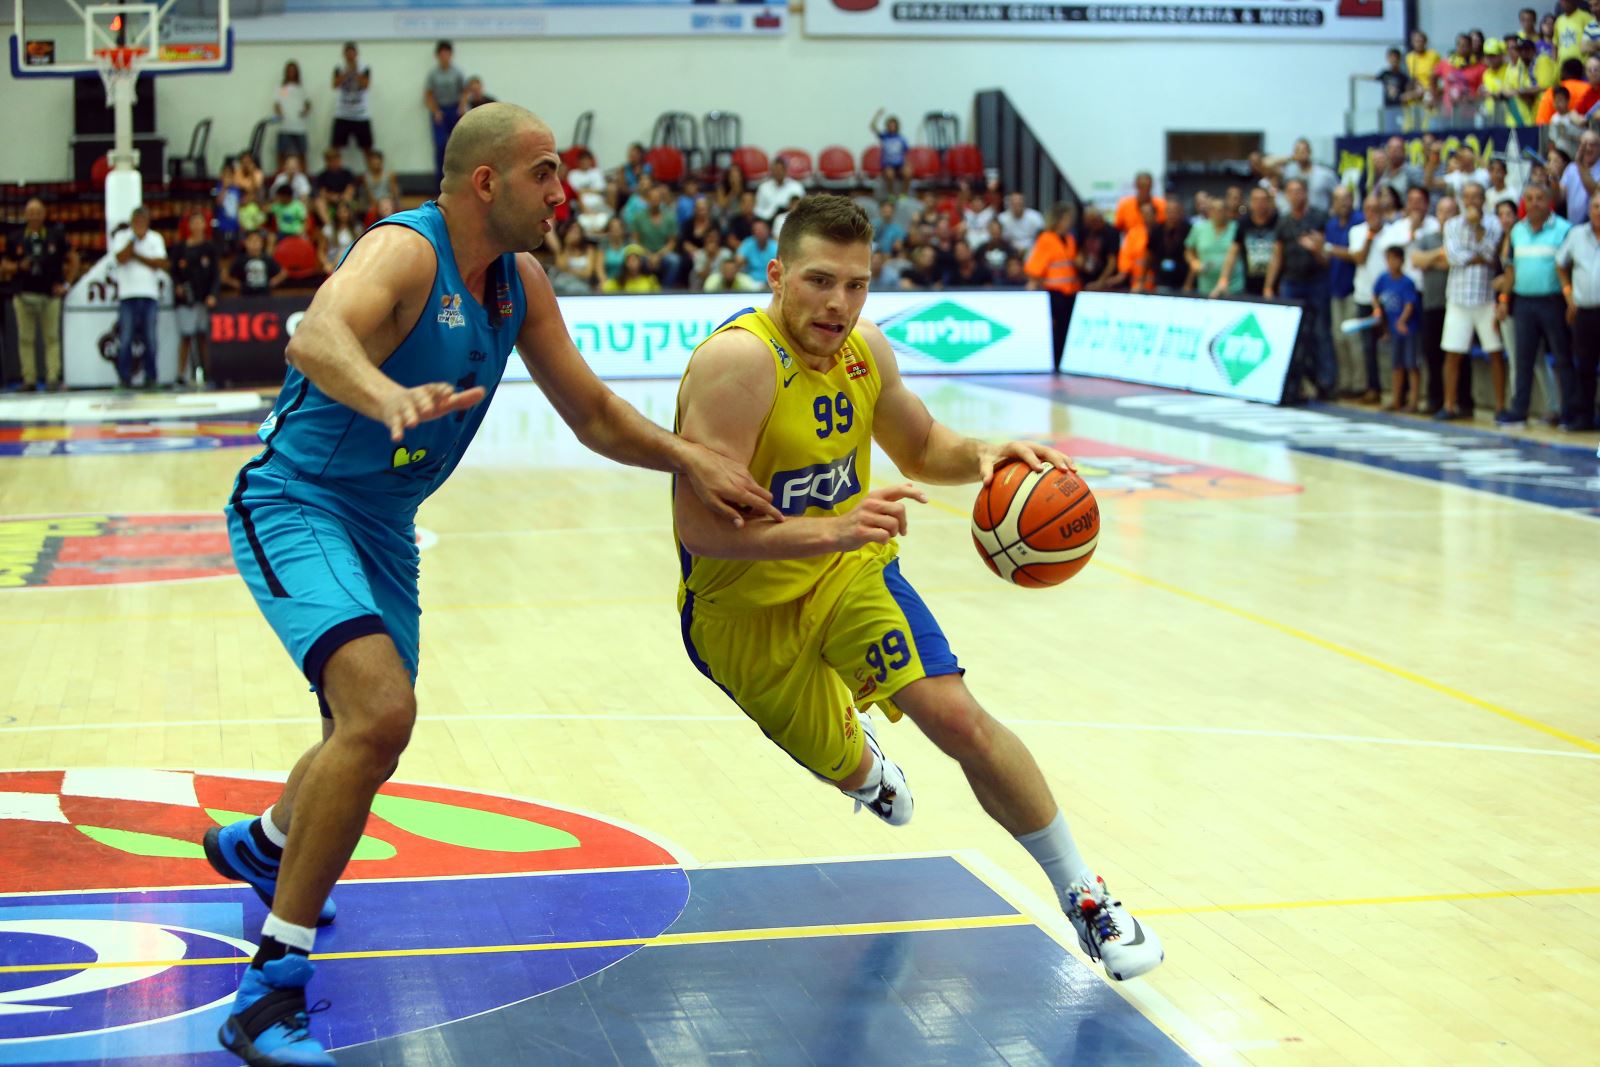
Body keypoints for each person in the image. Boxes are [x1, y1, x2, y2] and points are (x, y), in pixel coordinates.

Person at [201, 104, 776, 1067]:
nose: (562, 193)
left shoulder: (521, 284)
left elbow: (593, 413)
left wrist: (691, 457)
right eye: (545, 172)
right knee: (380, 714)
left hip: (382, 524)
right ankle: (269, 989)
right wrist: (385, 393)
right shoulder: (405, 252)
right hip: (297, 499)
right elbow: (316, 338)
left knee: (363, 734)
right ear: (486, 183)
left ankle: (264, 845)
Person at [672, 193, 1165, 993]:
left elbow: (922, 443)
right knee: (840, 762)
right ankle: (865, 768)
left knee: (957, 717)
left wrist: (983, 455)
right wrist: (833, 525)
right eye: (819, 281)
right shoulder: (739, 366)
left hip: (850, 573)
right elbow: (701, 530)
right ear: (776, 275)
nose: (838, 304)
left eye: (857, 285)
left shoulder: (864, 349)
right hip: (742, 610)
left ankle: (1087, 895)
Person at [1498, 183, 1576, 428]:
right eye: (1529, 198)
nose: (1534, 203)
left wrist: (1570, 299)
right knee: (1523, 359)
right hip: (1523, 302)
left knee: (1562, 359)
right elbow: (1510, 269)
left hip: (1553, 302)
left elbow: (1571, 268)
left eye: (1539, 198)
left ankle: (1569, 412)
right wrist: (1504, 299)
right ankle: (1519, 411)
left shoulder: (1564, 229)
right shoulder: (1517, 231)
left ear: (1549, 201)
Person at [1438, 183, 1504, 421]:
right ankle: (1449, 405)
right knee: (1452, 353)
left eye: (1476, 197)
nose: (1472, 201)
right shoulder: (1452, 224)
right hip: (1458, 298)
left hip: (1485, 298)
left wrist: (1477, 228)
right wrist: (1477, 257)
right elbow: (1454, 257)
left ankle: (1500, 407)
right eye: (1467, 197)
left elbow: (1489, 253)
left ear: (1483, 199)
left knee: (1495, 353)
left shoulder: (1494, 223)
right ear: (1462, 200)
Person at [1265, 178, 1333, 401]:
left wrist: (1316, 249)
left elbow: (1327, 258)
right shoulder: (1284, 222)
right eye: (1291, 192)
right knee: (1294, 335)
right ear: (1286, 195)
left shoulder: (1318, 218)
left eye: (1299, 191)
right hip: (1291, 282)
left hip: (1317, 281)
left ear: (1306, 193)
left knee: (1321, 333)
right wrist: (1269, 285)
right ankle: (1295, 383)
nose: (1295, 195)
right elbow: (1277, 256)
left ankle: (1326, 383)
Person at [1411, 196, 1467, 415]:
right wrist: (1439, 254)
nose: (1446, 216)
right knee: (1432, 355)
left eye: (1451, 211)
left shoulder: (1463, 237)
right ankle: (1435, 400)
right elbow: (1416, 260)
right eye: (1442, 211)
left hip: (1457, 303)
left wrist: (1433, 260)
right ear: (1437, 214)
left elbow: (1451, 263)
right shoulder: (1428, 238)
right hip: (1431, 303)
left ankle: (1462, 402)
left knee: (1458, 355)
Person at [4, 198, 67, 391]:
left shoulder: (55, 236)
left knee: (52, 338)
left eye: (38, 212)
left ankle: (52, 378)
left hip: (50, 295)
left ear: (44, 214)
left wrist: (66, 284)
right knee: (25, 339)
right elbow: (4, 265)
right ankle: (29, 379)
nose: (34, 216)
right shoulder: (15, 237)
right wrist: (18, 266)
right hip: (23, 294)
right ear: (25, 214)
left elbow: (72, 258)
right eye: (31, 212)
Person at [110, 207, 168, 390]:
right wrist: (133, 240)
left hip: (149, 295)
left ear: (148, 222)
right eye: (136, 221)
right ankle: (124, 379)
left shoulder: (155, 238)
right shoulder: (122, 237)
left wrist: (136, 255)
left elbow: (160, 263)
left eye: (143, 221)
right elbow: (120, 258)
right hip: (127, 296)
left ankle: (151, 378)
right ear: (132, 221)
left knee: (150, 338)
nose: (140, 224)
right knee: (125, 338)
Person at [1557, 193, 1600, 428]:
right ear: (1589, 209)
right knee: (1584, 366)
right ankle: (1584, 416)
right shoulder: (1577, 235)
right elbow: (1560, 263)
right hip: (1583, 311)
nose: (1599, 211)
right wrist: (1568, 293)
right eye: (1596, 206)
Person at [1024, 203, 1079, 371]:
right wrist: (1035, 283)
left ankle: (1064, 360)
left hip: (1070, 291)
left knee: (1067, 329)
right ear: (1059, 219)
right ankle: (1055, 361)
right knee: (1056, 329)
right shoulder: (1046, 239)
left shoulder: (1069, 239)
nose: (1070, 222)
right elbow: (1034, 267)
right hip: (1054, 292)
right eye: (1067, 218)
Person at [1370, 246, 1422, 411]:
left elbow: (1409, 304)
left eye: (1395, 259)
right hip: (1393, 329)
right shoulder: (1383, 279)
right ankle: (1396, 399)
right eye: (1388, 259)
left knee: (1412, 364)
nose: (1391, 263)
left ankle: (1413, 402)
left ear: (1401, 261)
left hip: (1408, 329)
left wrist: (1402, 321)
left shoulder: (1407, 282)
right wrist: (1377, 309)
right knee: (1396, 365)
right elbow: (1375, 295)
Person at [172, 211, 220, 388]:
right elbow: (173, 272)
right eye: (194, 222)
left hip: (203, 298)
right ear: (189, 225)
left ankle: (207, 375)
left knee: (202, 337)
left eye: (200, 222)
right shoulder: (180, 248)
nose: (197, 225)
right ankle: (181, 375)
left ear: (204, 225)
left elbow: (216, 273)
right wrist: (177, 286)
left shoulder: (209, 248)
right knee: (186, 336)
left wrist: (213, 294)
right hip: (186, 299)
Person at [1323, 186, 1362, 393]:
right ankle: (1345, 382)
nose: (1343, 203)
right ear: (1333, 203)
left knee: (1353, 338)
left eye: (1347, 198)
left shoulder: (1360, 221)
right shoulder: (1331, 225)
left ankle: (1359, 384)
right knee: (1338, 338)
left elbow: (1357, 255)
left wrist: (1329, 249)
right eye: (1339, 199)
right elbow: (1327, 256)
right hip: (1335, 287)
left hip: (1354, 288)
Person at [1214, 185, 1278, 298]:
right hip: (1250, 282)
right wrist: (1223, 280)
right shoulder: (1243, 222)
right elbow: (1232, 253)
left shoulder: (1278, 221)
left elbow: (1278, 256)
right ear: (1250, 202)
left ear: (1269, 202)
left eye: (1263, 200)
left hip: (1277, 283)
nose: (1259, 204)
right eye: (1256, 200)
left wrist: (1268, 286)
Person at [424, 41, 466, 190]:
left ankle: (459, 183)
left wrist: (461, 107)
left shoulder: (457, 72)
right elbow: (428, 95)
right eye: (441, 54)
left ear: (451, 55)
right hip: (440, 111)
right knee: (441, 145)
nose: (444, 57)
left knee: (458, 145)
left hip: (454, 110)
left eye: (447, 54)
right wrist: (435, 111)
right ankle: (439, 185)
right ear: (438, 56)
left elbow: (464, 91)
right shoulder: (433, 74)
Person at [1186, 194, 1242, 296]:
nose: (1218, 213)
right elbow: (1189, 251)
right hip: (1205, 286)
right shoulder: (1199, 228)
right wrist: (1194, 262)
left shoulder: (1237, 228)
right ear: (1209, 212)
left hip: (1233, 286)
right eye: (1214, 209)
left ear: (1227, 211)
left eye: (1221, 210)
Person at [330, 42, 374, 165]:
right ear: (344, 54)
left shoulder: (364, 68)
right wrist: (346, 72)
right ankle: (334, 172)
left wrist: (355, 71)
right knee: (335, 148)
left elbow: (365, 85)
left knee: (367, 148)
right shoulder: (339, 67)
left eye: (352, 53)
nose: (350, 56)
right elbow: (334, 85)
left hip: (361, 114)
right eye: (348, 53)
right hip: (342, 113)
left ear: (356, 54)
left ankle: (371, 173)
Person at [224, 229, 286, 297]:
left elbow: (283, 273)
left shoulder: (267, 259)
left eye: (257, 241)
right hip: (246, 296)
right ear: (246, 243)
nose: (254, 244)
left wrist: (272, 282)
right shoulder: (240, 260)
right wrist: (238, 285)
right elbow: (226, 276)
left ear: (262, 243)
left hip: (265, 296)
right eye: (251, 241)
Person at [274, 61, 311, 168]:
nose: (291, 73)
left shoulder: (301, 88)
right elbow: (278, 103)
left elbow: (308, 103)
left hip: (299, 126)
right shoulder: (283, 88)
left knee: (302, 153)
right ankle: (280, 173)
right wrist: (280, 112)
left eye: (293, 71)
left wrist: (305, 110)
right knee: (281, 153)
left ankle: (304, 173)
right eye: (289, 71)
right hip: (285, 125)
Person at [870, 109, 909, 197]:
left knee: (908, 173)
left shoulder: (901, 138)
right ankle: (891, 194)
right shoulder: (884, 137)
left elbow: (906, 153)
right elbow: (872, 126)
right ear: (887, 126)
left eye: (893, 125)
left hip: (900, 165)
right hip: (888, 165)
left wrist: (907, 165)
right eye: (890, 125)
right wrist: (878, 115)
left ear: (896, 126)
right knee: (890, 174)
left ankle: (904, 194)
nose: (892, 127)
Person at [755, 158, 806, 224]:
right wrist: (767, 217)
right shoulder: (763, 188)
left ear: (785, 170)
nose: (778, 172)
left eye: (780, 170)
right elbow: (758, 209)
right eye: (775, 170)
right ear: (771, 171)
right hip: (767, 221)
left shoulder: (796, 187)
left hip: (790, 221)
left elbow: (802, 208)